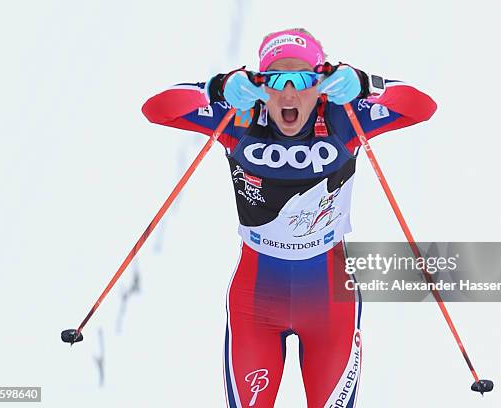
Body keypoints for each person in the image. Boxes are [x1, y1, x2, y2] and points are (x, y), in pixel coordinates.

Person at [142, 28, 437, 408]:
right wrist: (214, 88)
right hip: (255, 305)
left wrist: (365, 84)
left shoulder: (344, 114)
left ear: (323, 81)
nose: (289, 93)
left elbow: (421, 107)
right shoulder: (239, 114)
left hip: (330, 303)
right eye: (275, 80)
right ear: (259, 84)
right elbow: (156, 109)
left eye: (302, 79)